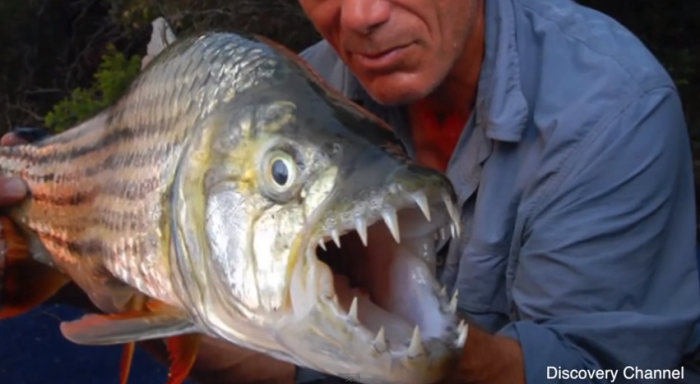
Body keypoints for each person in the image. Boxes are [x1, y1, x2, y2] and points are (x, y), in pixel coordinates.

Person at [2, 0, 700, 383]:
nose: (361, 14)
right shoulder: (308, 84)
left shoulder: (611, 110)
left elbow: (610, 377)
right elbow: (281, 359)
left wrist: (432, 354)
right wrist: (72, 271)